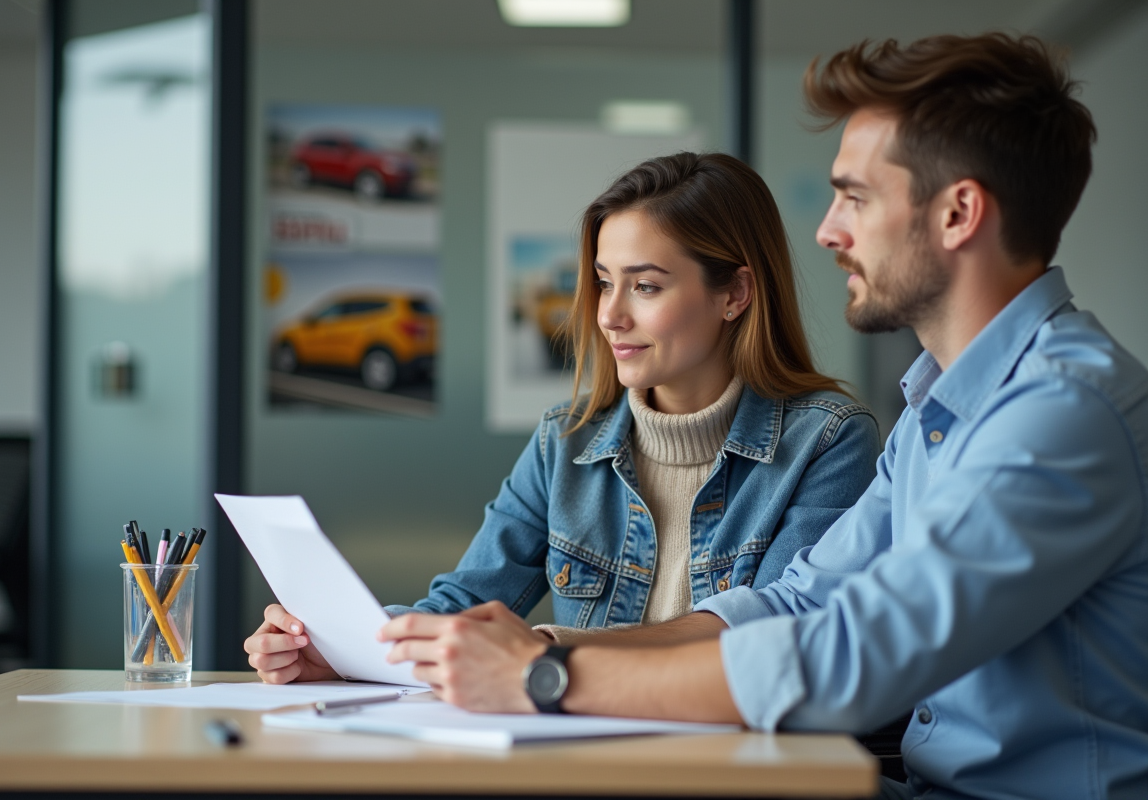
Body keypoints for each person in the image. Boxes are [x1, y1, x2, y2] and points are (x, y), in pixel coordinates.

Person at [379, 33, 1148, 800]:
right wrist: (544, 645)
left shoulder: (1060, 414)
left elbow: (848, 659)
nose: (828, 230)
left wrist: (547, 677)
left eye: (856, 197)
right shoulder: (936, 412)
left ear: (958, 213)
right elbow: (795, 602)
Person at [245, 153, 880, 684]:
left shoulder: (827, 441)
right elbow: (463, 604)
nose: (610, 315)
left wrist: (547, 652)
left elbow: (779, 636)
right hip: (587, 765)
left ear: (735, 294)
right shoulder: (565, 440)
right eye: (604, 282)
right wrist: (343, 651)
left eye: (646, 286)